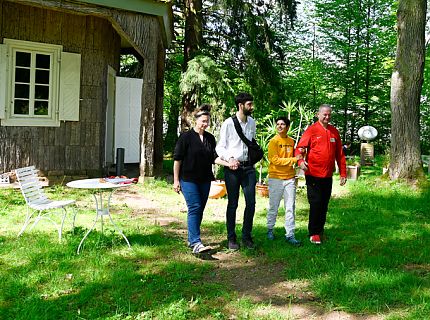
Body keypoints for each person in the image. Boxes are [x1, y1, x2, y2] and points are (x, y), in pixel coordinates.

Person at [173, 104, 234, 254]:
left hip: (205, 180)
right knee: (194, 207)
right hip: (188, 179)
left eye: (207, 121)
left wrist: (229, 164)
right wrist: (176, 180)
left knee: (199, 208)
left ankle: (191, 238)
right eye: (203, 121)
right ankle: (196, 243)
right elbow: (177, 160)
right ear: (196, 121)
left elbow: (215, 158)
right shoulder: (186, 137)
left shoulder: (210, 138)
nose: (205, 124)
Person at [295, 104, 347, 245]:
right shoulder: (311, 130)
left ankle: (320, 230)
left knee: (324, 204)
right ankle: (314, 233)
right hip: (313, 174)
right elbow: (300, 148)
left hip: (327, 176)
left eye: (329, 114)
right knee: (316, 203)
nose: (327, 117)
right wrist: (300, 161)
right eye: (324, 114)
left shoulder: (334, 132)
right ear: (318, 114)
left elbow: (340, 155)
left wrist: (343, 173)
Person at [216, 92, 257, 250]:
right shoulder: (228, 123)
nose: (251, 107)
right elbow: (220, 146)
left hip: (248, 168)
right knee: (233, 204)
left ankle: (247, 236)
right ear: (241, 105)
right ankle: (231, 238)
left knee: (251, 203)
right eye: (249, 104)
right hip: (232, 169)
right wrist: (229, 159)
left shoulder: (252, 122)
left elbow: (251, 143)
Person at [266, 116, 303, 246]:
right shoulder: (273, 142)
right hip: (276, 178)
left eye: (282, 124)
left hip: (290, 178)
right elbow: (274, 160)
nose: (280, 126)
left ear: (288, 127)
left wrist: (300, 155)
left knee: (290, 207)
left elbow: (298, 155)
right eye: (278, 124)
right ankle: (270, 229)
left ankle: (290, 234)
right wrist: (293, 159)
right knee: (273, 206)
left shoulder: (292, 141)